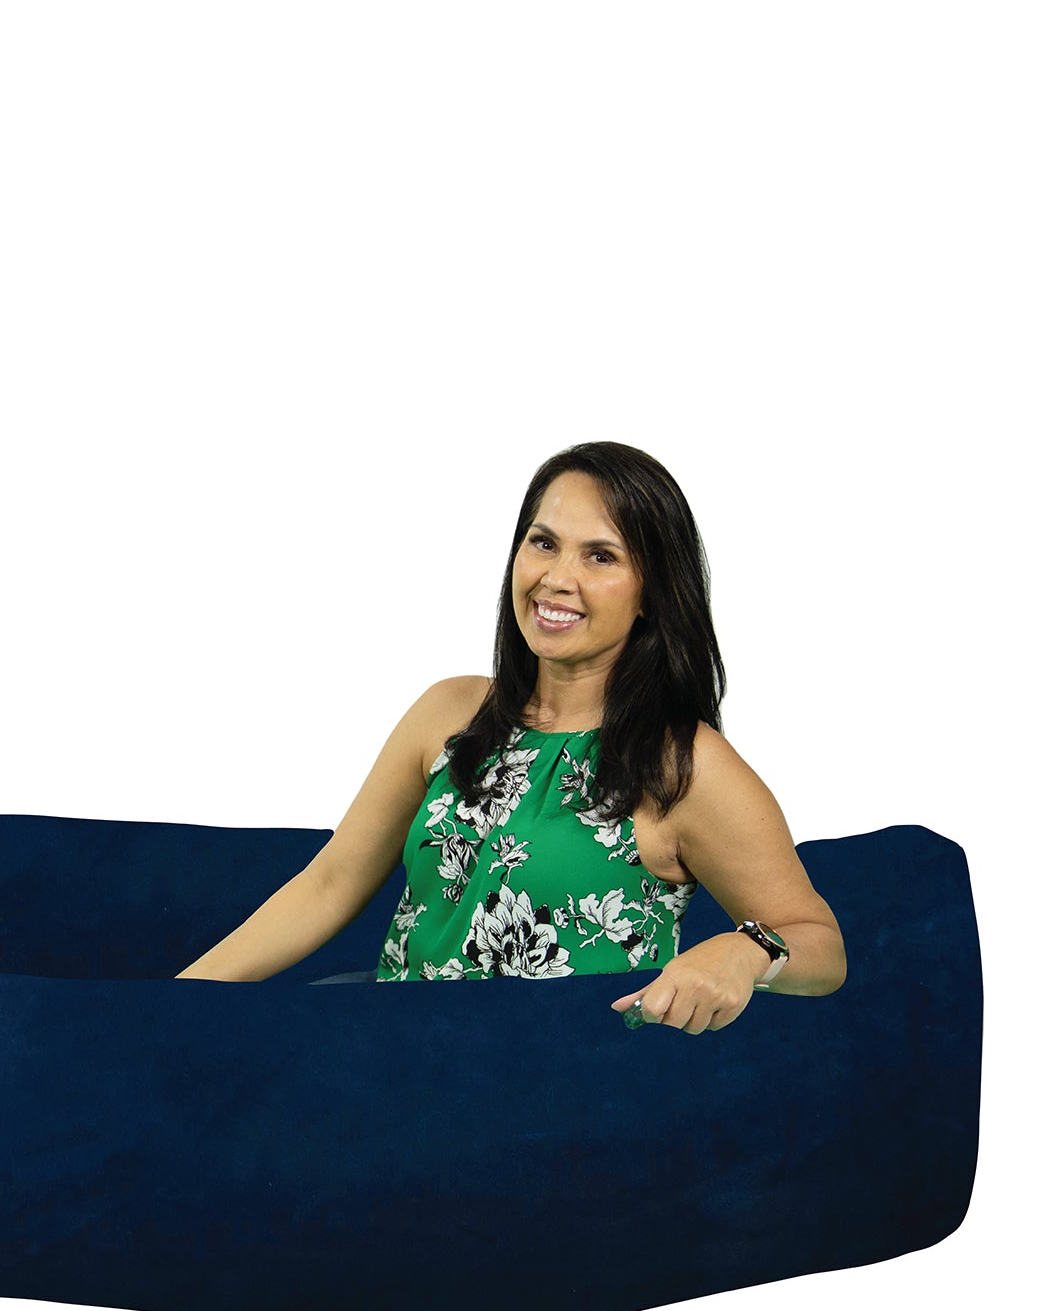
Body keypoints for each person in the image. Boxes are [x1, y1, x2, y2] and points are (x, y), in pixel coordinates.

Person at [175, 441, 846, 1035]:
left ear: (651, 593)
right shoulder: (449, 711)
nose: (557, 578)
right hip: (388, 1062)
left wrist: (747, 950)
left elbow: (821, 946)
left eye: (601, 556)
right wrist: (169, 1005)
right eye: (543, 543)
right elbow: (328, 885)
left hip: (561, 1092)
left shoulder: (684, 764)